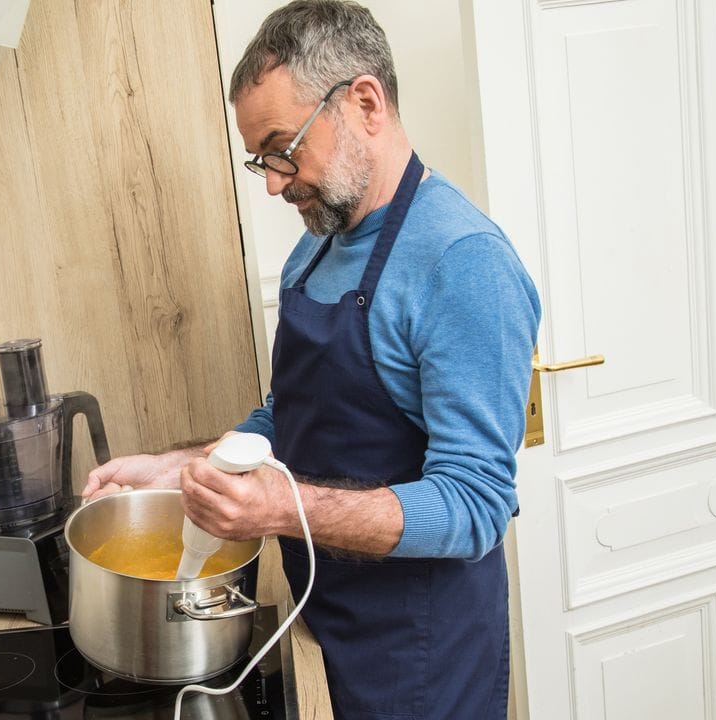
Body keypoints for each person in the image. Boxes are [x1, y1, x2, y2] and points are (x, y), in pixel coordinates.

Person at [82, 1, 540, 717]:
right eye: (260, 157)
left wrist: (278, 507)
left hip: (423, 649)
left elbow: (475, 504)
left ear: (365, 102)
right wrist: (178, 469)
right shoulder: (317, 244)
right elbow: (291, 416)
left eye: (281, 147)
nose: (271, 182)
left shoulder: (463, 263)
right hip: (329, 614)